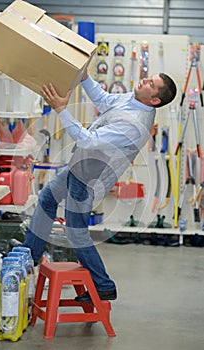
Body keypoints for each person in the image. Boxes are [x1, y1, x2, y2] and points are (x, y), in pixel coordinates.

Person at [21, 71, 177, 302]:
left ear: (154, 100)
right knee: (46, 199)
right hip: (80, 166)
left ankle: (104, 285)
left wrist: (61, 110)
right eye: (148, 77)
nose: (143, 80)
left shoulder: (135, 125)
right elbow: (104, 100)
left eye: (150, 84)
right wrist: (84, 77)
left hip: (88, 179)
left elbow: (88, 140)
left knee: (76, 232)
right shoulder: (132, 100)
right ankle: (31, 254)